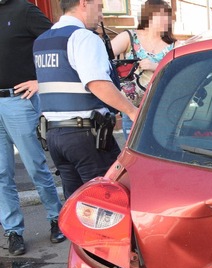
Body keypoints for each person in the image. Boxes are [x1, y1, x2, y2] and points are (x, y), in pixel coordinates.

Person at [33, 0, 138, 200]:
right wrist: (132, 111)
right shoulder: (83, 37)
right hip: (86, 136)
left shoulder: (43, 41)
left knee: (77, 204)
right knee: (107, 200)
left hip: (55, 136)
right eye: (99, 7)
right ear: (83, 3)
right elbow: (97, 83)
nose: (101, 15)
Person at [0, 0, 66, 256]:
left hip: (19, 101)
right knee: (2, 174)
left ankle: (55, 218)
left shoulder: (24, 10)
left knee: (35, 167)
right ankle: (13, 230)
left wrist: (41, 80)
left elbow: (57, 43)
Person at [111, 0, 176, 139]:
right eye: (162, 16)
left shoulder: (173, 45)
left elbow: (178, 74)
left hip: (162, 108)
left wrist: (155, 67)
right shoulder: (130, 37)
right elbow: (101, 57)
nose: (167, 20)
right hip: (133, 108)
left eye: (168, 17)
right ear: (149, 16)